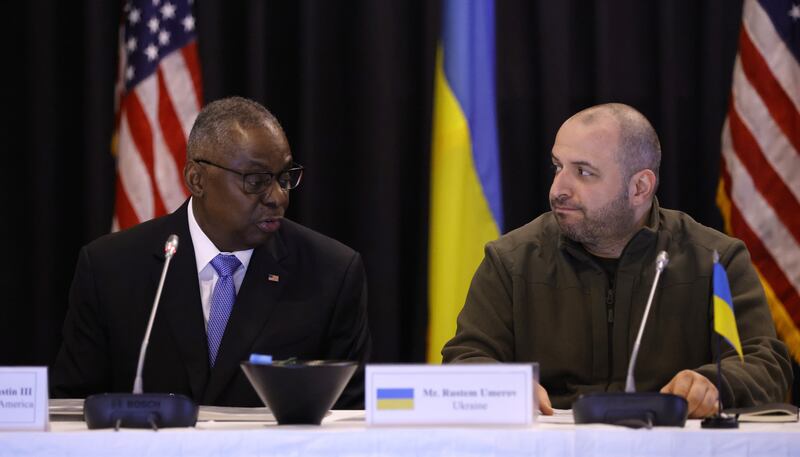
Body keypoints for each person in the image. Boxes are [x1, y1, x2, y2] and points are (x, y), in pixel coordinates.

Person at [442, 103, 792, 418]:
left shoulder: (716, 260)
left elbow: (766, 364)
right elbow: (465, 359)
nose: (558, 189)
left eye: (583, 172)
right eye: (557, 166)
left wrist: (714, 383)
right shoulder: (510, 261)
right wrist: (503, 386)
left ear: (639, 187)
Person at [52, 96, 370, 408]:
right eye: (256, 180)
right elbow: (71, 405)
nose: (277, 198)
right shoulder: (112, 268)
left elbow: (349, 418)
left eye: (284, 178)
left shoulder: (331, 273)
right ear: (197, 179)